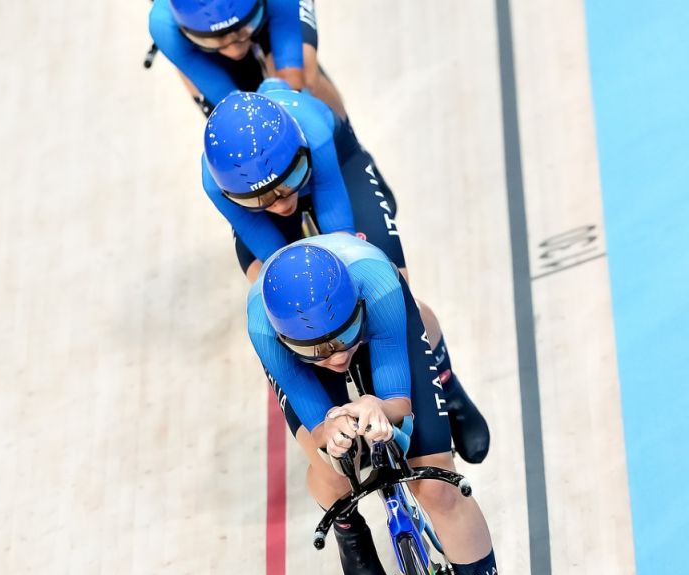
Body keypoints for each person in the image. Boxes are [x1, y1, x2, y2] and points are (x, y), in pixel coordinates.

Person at [203, 84, 490, 463]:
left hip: (333, 176)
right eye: (263, 197)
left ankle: (447, 385)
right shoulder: (215, 183)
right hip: (265, 227)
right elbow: (277, 267)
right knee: (279, 296)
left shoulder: (314, 132)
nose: (284, 204)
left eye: (288, 188)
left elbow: (341, 238)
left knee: (397, 295)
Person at [248, 236, 503, 575]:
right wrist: (332, 429)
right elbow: (317, 431)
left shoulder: (377, 283)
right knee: (332, 468)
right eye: (318, 350)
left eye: (343, 336)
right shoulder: (263, 327)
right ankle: (348, 527)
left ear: (358, 306)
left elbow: (398, 401)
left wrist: (376, 405)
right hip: (313, 349)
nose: (336, 359)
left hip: (378, 328)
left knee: (439, 489)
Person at [148, 0, 346, 117]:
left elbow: (291, 77)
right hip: (197, 17)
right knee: (233, 113)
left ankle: (346, 144)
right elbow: (231, 103)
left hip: (269, 7)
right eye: (219, 41)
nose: (235, 51)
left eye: (241, 33)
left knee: (305, 73)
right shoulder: (164, 25)